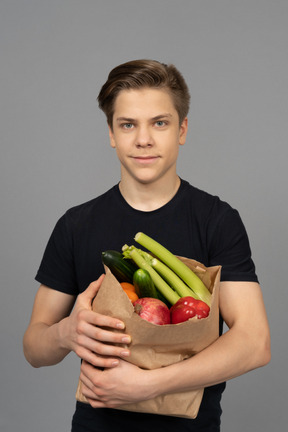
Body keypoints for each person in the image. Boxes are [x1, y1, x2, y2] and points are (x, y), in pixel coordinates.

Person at [23, 59, 271, 431]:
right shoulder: (76, 225)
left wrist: (145, 385)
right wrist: (65, 332)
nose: (143, 139)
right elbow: (34, 349)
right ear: (111, 132)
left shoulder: (216, 220)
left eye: (160, 122)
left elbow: (255, 342)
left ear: (182, 129)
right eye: (127, 124)